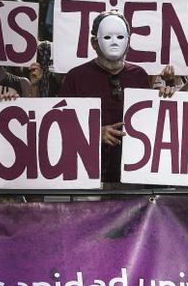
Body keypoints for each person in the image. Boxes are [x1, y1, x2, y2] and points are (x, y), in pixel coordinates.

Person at [57, 11, 153, 186]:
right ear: (94, 43)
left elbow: (151, 122)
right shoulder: (76, 77)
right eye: (107, 37)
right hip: (87, 176)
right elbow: (61, 124)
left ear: (128, 41)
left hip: (131, 176)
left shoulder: (139, 76)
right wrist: (93, 134)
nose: (115, 42)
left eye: (120, 37)